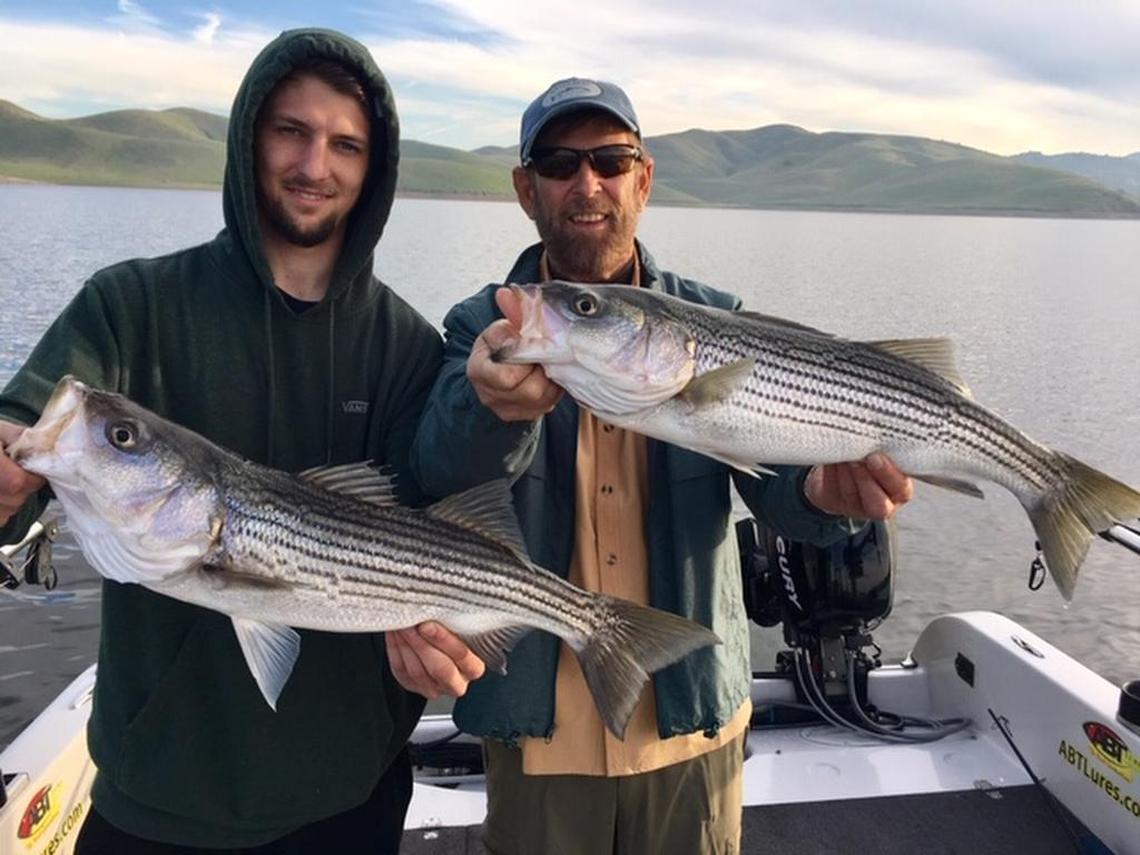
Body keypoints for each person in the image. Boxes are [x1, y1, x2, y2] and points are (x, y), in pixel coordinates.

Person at [390, 78, 914, 854]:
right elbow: (436, 471)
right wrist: (489, 411)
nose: (587, 184)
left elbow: (779, 495)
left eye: (610, 159)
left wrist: (825, 493)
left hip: (690, 723)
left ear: (644, 178)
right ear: (525, 187)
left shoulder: (719, 320)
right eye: (560, 163)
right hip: (541, 731)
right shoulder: (487, 324)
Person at [0, 28, 462, 853]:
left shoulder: (408, 347)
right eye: (291, 130)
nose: (315, 165)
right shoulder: (130, 305)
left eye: (345, 145)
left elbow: (438, 526)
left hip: (349, 796)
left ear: (373, 169)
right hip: (156, 791)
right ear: (250, 136)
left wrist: (439, 637)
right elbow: (29, 427)